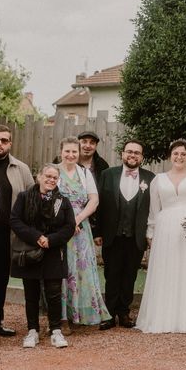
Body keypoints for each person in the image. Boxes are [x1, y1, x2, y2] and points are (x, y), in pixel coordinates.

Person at [136, 139, 186, 333]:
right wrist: (151, 231)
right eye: (175, 154)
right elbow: (154, 210)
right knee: (169, 270)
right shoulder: (159, 179)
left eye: (183, 154)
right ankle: (166, 317)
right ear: (170, 156)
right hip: (166, 232)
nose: (179, 157)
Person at [10, 164, 76, 348]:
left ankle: (55, 330)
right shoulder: (24, 197)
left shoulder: (62, 201)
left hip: (54, 252)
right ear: (39, 177)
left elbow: (69, 226)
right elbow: (15, 220)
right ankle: (32, 331)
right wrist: (36, 237)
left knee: (54, 293)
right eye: (48, 176)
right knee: (31, 294)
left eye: (55, 178)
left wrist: (51, 239)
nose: (51, 180)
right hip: (29, 251)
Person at [95, 140, 155, 329]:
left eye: (137, 153)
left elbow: (153, 209)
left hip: (136, 236)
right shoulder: (107, 174)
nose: (133, 155)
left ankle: (124, 312)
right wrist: (97, 231)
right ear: (122, 154)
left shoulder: (150, 178)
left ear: (142, 157)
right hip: (112, 235)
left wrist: (149, 234)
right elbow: (99, 205)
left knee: (130, 275)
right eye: (129, 151)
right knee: (111, 274)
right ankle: (109, 314)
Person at [0, 124, 34, 337]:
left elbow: (32, 201)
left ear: (10, 143)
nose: (0, 144)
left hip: (5, 235)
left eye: (4, 140)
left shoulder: (21, 169)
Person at [57, 136, 111, 329]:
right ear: (61, 152)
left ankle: (82, 313)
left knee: (81, 270)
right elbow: (47, 198)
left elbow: (94, 201)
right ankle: (61, 317)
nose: (71, 155)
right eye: (67, 151)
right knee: (62, 270)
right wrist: (67, 222)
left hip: (81, 230)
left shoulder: (84, 173)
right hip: (59, 227)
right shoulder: (53, 171)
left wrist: (77, 220)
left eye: (74, 151)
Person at [77, 131, 109, 238]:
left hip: (93, 219)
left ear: (96, 146)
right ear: (78, 143)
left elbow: (105, 196)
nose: (87, 146)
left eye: (92, 143)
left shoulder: (102, 165)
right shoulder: (67, 160)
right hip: (69, 215)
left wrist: (99, 231)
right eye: (84, 142)